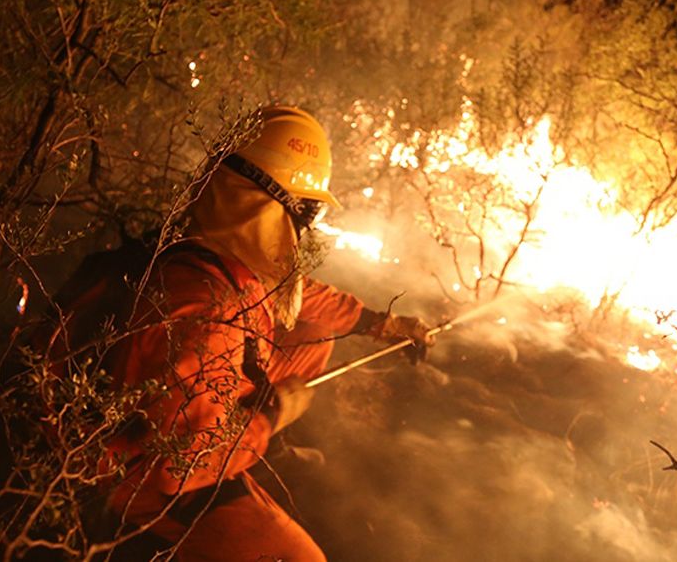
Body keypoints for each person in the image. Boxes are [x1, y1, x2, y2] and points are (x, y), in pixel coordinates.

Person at [52, 105, 433, 560]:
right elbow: (177, 466)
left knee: (317, 333)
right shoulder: (210, 313)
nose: (304, 225)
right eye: (306, 209)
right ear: (273, 204)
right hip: (130, 476)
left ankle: (243, 445)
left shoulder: (200, 245)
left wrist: (378, 323)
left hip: (142, 405)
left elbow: (297, 294)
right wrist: (270, 416)